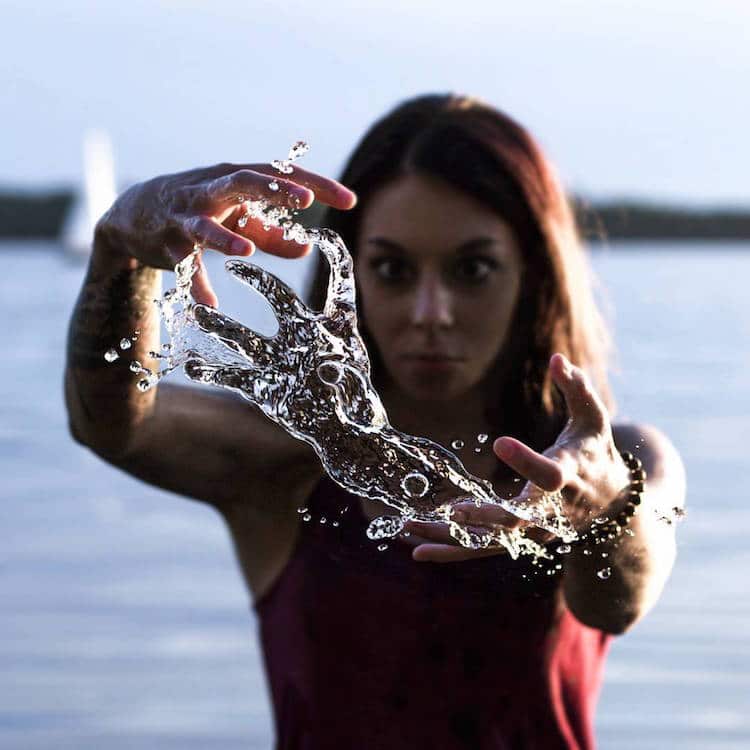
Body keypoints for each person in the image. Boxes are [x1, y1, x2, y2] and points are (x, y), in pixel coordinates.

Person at [65, 94, 685, 749]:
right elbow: (111, 422)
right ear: (350, 271)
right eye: (391, 269)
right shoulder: (285, 463)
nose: (430, 311)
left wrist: (606, 507)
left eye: (472, 269)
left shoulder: (616, 463)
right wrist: (120, 253)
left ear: (532, 276)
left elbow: (621, 600)